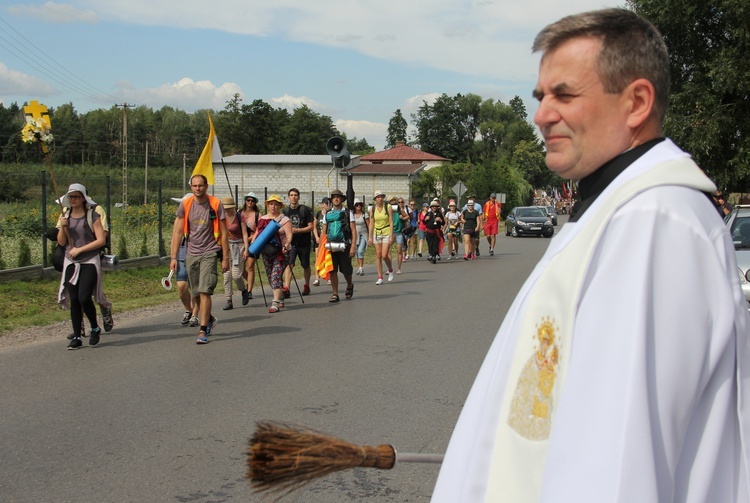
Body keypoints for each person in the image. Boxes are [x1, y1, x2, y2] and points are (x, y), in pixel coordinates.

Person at [433, 9, 750, 502]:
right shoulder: (615, 209)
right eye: (541, 97)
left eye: (564, 94)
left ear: (636, 102)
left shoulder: (653, 223)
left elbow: (618, 463)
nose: (540, 115)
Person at [169, 174, 229, 345]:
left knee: (205, 291)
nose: (197, 188)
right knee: (195, 292)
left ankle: (202, 329)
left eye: (200, 185)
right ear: (191, 187)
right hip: (191, 252)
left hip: (210, 251)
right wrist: (173, 257)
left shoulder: (215, 204)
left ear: (206, 186)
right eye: (194, 186)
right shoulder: (186, 204)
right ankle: (209, 318)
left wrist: (225, 258)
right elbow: (178, 232)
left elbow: (224, 233)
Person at [56, 183, 111, 350]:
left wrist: (80, 249)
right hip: (71, 261)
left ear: (83, 198)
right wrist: (63, 227)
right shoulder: (64, 215)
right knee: (74, 299)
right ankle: (77, 336)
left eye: (76, 196)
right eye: (71, 197)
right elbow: (61, 242)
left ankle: (94, 327)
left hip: (89, 260)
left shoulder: (92, 216)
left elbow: (101, 240)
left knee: (84, 296)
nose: (73, 199)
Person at [251, 194, 293, 313]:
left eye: (276, 204)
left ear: (279, 206)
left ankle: (275, 303)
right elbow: (257, 234)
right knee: (270, 276)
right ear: (268, 205)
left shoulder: (284, 219)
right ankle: (280, 296)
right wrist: (252, 247)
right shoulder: (263, 219)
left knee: (276, 275)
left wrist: (286, 245)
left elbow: (289, 235)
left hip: (282, 252)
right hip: (266, 252)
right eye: (271, 204)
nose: (273, 206)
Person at [322, 189, 356, 301]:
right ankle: (335, 293)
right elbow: (324, 230)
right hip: (330, 245)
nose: (336, 199)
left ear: (341, 199)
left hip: (345, 244)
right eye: (334, 197)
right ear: (331, 200)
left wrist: (353, 246)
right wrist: (321, 245)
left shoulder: (348, 212)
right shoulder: (327, 213)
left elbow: (353, 230)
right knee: (332, 270)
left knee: (346, 270)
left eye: (338, 197)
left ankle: (349, 284)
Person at [170, 194, 199, 327]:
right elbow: (174, 238)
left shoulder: (199, 218)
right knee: (182, 286)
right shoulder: (179, 219)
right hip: (181, 255)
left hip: (196, 255)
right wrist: (173, 257)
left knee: (195, 287)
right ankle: (188, 309)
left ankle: (195, 315)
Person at [281, 188, 314, 298]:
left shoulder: (305, 210)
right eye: (291, 195)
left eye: (295, 195)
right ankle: (287, 288)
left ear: (299, 197)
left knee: (305, 265)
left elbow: (311, 227)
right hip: (291, 243)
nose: (293, 197)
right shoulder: (285, 212)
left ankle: (306, 285)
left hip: (304, 243)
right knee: (289, 264)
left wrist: (298, 230)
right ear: (288, 197)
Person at [220, 196, 249, 310]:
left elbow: (245, 233)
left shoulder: (239, 216)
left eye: (229, 208)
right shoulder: (221, 217)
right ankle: (229, 300)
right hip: (225, 247)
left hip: (238, 246)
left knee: (236, 275)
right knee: (226, 275)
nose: (227, 210)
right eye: (225, 208)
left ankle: (244, 290)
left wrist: (246, 249)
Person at [368, 191, 395, 284]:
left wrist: (391, 235)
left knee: (384, 255)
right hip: (376, 232)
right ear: (375, 199)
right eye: (378, 197)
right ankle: (380, 277)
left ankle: (390, 269)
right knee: (378, 255)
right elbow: (371, 222)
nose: (380, 199)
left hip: (386, 231)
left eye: (381, 197)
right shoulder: (372, 208)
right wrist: (370, 236)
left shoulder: (388, 207)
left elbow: (391, 221)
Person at [240, 191, 260, 304]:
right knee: (240, 269)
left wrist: (252, 238)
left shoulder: (257, 214)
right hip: (240, 243)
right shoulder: (239, 213)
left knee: (250, 266)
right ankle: (249, 281)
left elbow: (258, 229)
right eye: (248, 200)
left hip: (252, 242)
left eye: (252, 201)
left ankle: (249, 290)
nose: (250, 202)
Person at [312, 196, 330, 286]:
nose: (328, 206)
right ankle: (316, 278)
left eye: (329, 204)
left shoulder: (330, 213)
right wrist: (316, 237)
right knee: (318, 257)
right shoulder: (318, 214)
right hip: (319, 239)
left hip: (328, 239)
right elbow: (314, 227)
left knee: (328, 258)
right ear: (323, 204)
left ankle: (328, 277)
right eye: (327, 204)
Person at [351, 197, 370, 276]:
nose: (359, 206)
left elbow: (369, 225)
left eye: (360, 205)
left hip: (363, 235)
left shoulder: (364, 215)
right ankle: (359, 267)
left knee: (360, 251)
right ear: (354, 206)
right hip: (355, 235)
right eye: (357, 205)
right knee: (356, 253)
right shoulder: (352, 215)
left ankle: (361, 268)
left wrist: (371, 236)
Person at [391, 197, 409, 274]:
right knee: (388, 251)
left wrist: (403, 218)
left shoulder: (399, 210)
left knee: (399, 250)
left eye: (396, 203)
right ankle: (390, 268)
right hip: (391, 232)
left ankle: (398, 268)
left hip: (399, 232)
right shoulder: (388, 210)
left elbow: (407, 216)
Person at [422, 199, 444, 264]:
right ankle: (431, 254)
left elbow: (443, 222)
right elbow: (424, 222)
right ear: (431, 207)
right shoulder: (428, 213)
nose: (434, 207)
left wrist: (440, 220)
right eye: (433, 206)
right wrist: (426, 219)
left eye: (435, 206)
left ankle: (435, 255)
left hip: (436, 231)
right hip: (429, 231)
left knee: (435, 243)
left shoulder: (439, 214)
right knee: (430, 243)